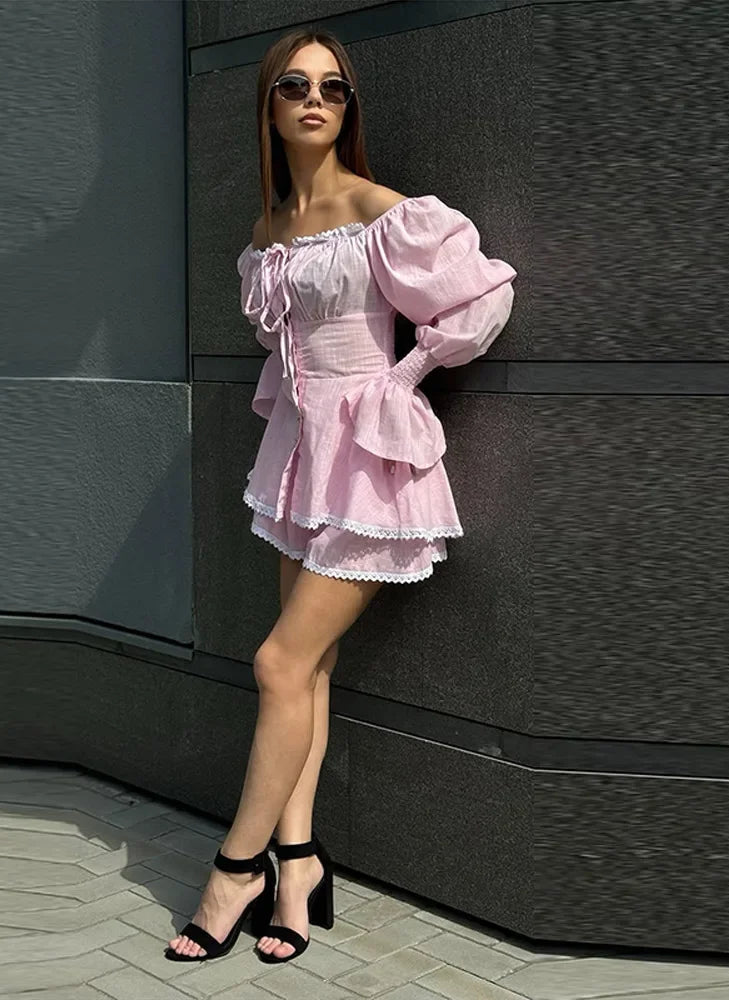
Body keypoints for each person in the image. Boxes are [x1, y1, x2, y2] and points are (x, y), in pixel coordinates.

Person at [165, 27, 516, 966]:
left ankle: (234, 868)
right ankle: (298, 864)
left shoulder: (383, 211)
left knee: (279, 664)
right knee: (306, 675)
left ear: (347, 109)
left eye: (333, 87)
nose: (315, 99)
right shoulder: (270, 228)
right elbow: (286, 351)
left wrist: (401, 378)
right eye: (294, 85)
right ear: (271, 108)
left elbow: (478, 299)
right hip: (298, 458)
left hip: (368, 463)